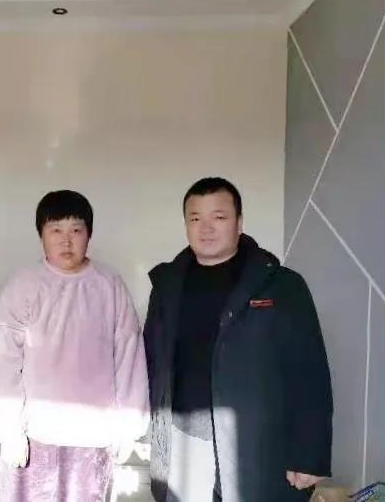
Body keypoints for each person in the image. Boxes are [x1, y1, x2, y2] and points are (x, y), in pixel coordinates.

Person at [143, 177, 333, 502]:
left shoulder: (281, 286)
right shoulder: (166, 287)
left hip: (257, 444)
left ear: (239, 223)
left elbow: (309, 372)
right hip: (185, 441)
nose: (206, 228)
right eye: (195, 218)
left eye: (218, 217)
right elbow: (150, 360)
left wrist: (309, 454)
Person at [0, 190, 149, 502]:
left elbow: (129, 355)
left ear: (89, 234)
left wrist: (128, 426)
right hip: (33, 436)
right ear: (41, 236)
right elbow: (4, 361)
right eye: (56, 230)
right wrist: (9, 430)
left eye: (76, 230)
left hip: (93, 436)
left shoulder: (109, 285)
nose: (66, 241)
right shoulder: (23, 285)